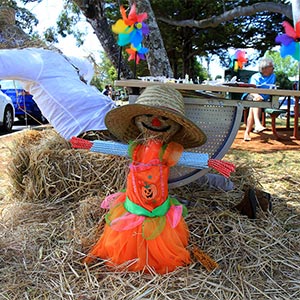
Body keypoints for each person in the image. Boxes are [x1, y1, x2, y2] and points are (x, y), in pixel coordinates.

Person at [0, 48, 117, 140]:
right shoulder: (63, 59)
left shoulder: (34, 59)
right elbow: (87, 67)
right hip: (110, 120)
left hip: (93, 130)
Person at [243, 58, 276, 141]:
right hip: (251, 96)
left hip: (262, 99)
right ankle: (257, 124)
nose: (273, 68)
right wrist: (256, 95)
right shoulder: (255, 77)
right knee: (256, 100)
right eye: (271, 66)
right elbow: (250, 90)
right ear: (264, 68)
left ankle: (247, 132)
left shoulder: (273, 76)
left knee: (254, 105)